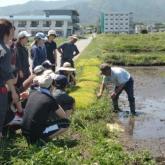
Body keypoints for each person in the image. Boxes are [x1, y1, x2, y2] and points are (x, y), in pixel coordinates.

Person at [22, 73, 70, 144]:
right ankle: (43, 141)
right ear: (52, 85)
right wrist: (54, 101)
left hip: (24, 131)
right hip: (35, 135)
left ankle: (40, 138)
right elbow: (64, 116)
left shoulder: (32, 93)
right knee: (66, 123)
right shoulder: (49, 99)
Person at [0, 19, 19, 139]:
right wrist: (13, 91)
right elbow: (6, 75)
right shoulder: (5, 50)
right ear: (7, 31)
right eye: (12, 29)